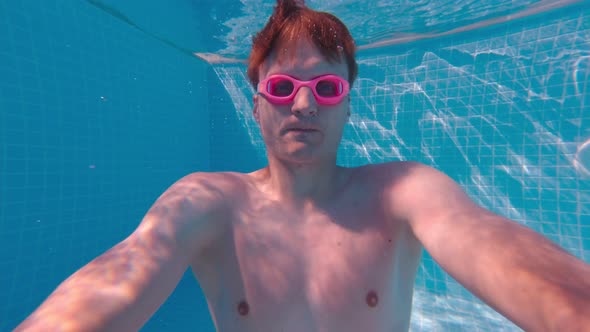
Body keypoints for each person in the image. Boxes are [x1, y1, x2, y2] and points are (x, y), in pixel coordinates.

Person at [16, 1, 590, 331]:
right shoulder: (209, 202)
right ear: (257, 100)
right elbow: (121, 279)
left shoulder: (403, 191)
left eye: (326, 86)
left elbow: (483, 239)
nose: (304, 103)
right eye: (285, 85)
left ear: (348, 100)